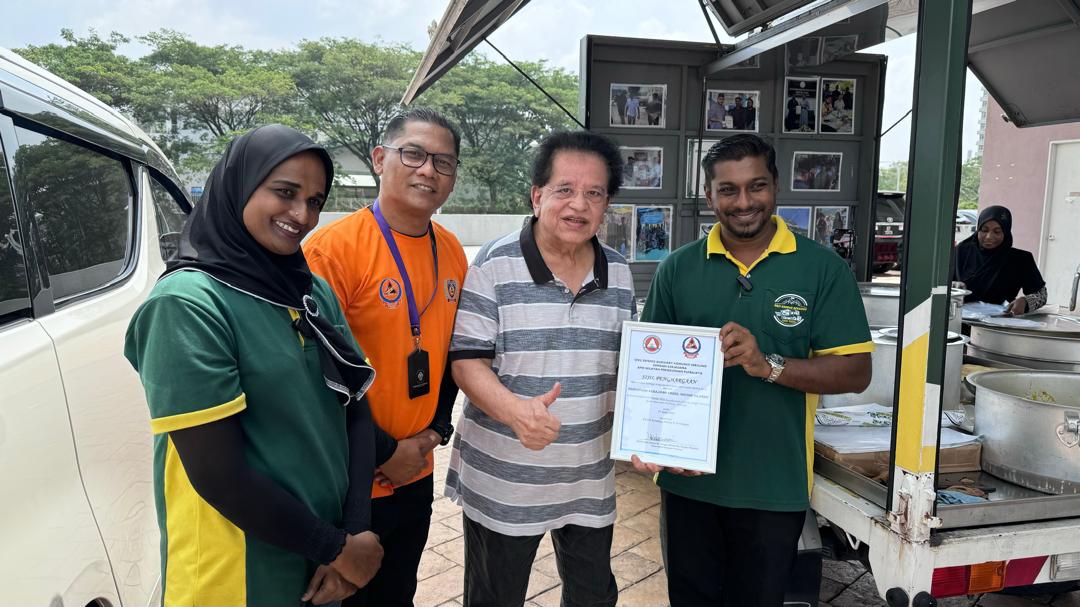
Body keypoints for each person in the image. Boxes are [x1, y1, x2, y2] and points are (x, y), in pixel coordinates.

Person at [124, 125, 385, 606]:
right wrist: (339, 549)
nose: (301, 214)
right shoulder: (188, 305)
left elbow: (356, 410)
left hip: (320, 564)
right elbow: (218, 474)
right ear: (239, 186)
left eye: (314, 201)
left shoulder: (310, 292)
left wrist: (355, 532)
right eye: (284, 192)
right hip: (235, 575)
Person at [632, 133, 873, 607]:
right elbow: (649, 374)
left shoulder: (822, 269)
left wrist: (769, 365)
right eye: (728, 190)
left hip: (773, 485)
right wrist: (646, 442)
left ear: (776, 186)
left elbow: (855, 371)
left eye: (756, 186)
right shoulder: (677, 269)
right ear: (709, 196)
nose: (744, 202)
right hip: (689, 482)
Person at [447, 131, 635, 607]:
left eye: (594, 193)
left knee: (593, 598)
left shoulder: (618, 271)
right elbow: (467, 361)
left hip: (588, 476)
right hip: (506, 478)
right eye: (564, 189)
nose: (579, 205)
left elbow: (626, 368)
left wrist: (645, 434)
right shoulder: (494, 263)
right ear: (537, 196)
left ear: (607, 204)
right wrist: (515, 411)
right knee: (495, 598)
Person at [305, 108, 468, 607]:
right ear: (380, 159)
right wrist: (385, 452)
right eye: (413, 154)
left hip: (415, 472)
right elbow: (310, 375)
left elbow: (453, 352)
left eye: (443, 162)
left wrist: (434, 433)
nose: (428, 171)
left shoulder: (451, 251)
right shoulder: (332, 251)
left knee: (398, 593)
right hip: (348, 481)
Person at [953, 204, 1047, 315]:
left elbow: (1041, 295)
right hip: (957, 319)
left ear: (1006, 232)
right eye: (984, 230)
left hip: (998, 321)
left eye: (997, 232)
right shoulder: (960, 252)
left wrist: (1025, 302)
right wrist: (953, 287)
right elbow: (940, 284)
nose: (989, 236)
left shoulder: (1020, 260)